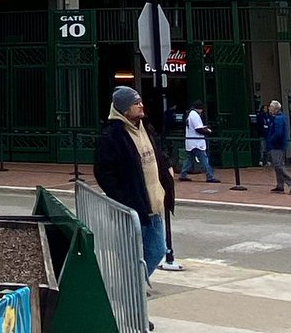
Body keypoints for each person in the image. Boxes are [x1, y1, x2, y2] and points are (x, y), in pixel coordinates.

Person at [93, 86, 175, 280]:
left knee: (157, 250)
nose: (140, 105)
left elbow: (159, 151)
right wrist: (123, 198)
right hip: (134, 204)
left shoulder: (146, 127)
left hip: (154, 203)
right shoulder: (112, 135)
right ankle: (133, 286)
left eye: (140, 101)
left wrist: (167, 169)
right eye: (135, 103)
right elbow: (104, 173)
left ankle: (133, 284)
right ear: (124, 109)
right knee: (133, 252)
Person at [178, 101, 220, 182]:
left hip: (191, 141)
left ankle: (183, 175)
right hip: (196, 142)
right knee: (204, 160)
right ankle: (210, 176)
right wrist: (208, 131)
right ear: (200, 109)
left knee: (189, 159)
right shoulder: (194, 115)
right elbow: (198, 129)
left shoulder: (190, 114)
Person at [264, 100, 291, 195]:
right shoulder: (278, 117)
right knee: (278, 165)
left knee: (278, 165)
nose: (269, 108)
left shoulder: (278, 119)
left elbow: (278, 133)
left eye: (271, 107)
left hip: (277, 146)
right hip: (278, 145)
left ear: (275, 108)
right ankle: (280, 186)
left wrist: (270, 140)